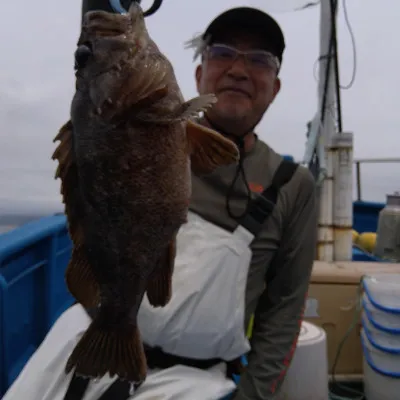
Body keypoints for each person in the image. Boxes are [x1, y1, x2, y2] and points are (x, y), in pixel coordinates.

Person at [2, 5, 318, 400]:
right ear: (199, 73)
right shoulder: (133, 117)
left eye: (259, 59)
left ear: (276, 86)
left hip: (193, 382)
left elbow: (283, 311)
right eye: (222, 52)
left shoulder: (292, 185)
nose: (239, 69)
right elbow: (99, 29)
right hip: (83, 335)